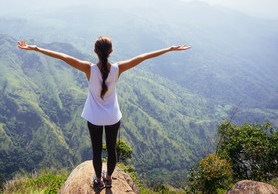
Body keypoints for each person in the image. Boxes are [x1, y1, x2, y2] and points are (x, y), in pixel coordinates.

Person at [17, 36, 191, 189]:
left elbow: (62, 57)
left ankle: (98, 180)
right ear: (111, 51)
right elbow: (143, 57)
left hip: (94, 118)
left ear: (94, 51)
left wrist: (36, 48)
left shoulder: (88, 68)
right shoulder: (118, 68)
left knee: (96, 152)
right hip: (112, 117)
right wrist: (170, 49)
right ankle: (109, 179)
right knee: (112, 150)